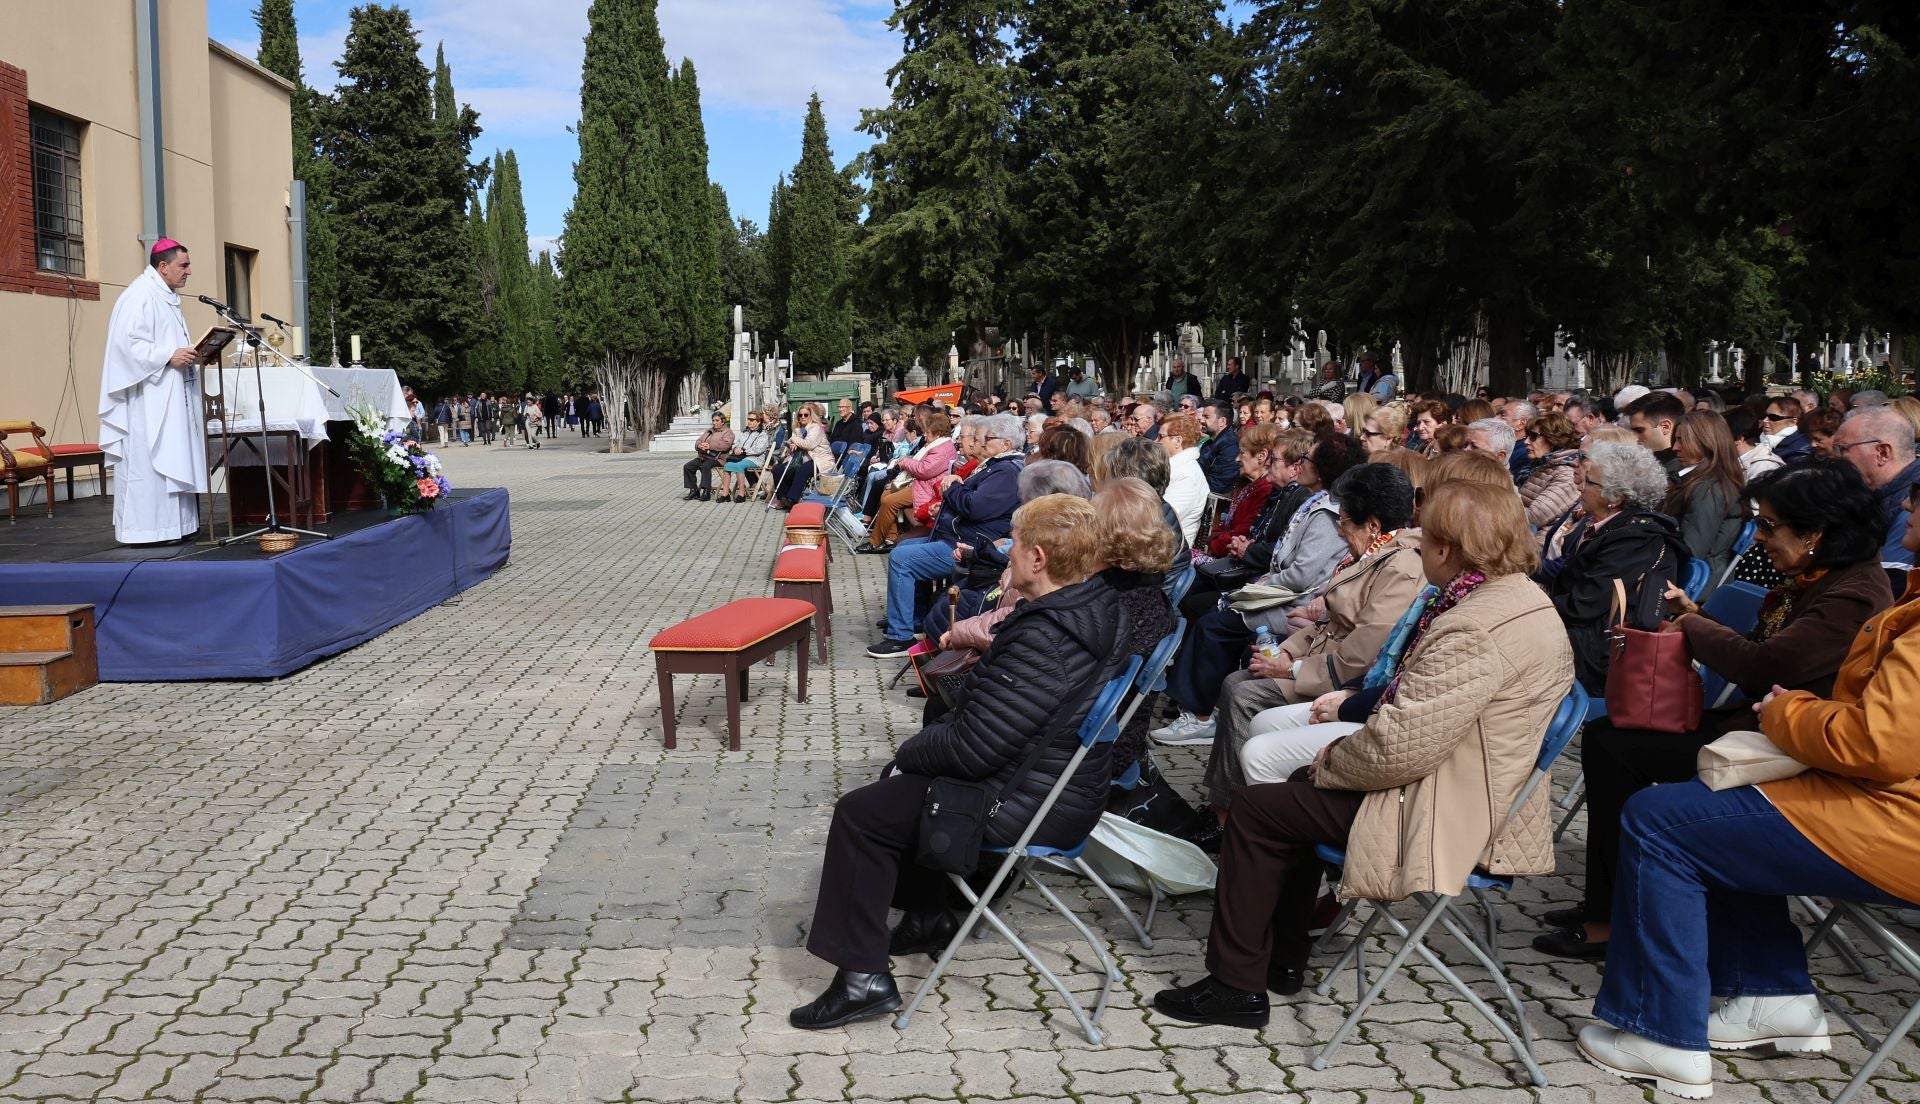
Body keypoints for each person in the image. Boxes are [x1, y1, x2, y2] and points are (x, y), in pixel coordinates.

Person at [1151, 481, 1573, 1026]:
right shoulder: (1516, 597)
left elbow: (1401, 746)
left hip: (1443, 806)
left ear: (1447, 550)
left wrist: (1329, 763)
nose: (1419, 554)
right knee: (1287, 796)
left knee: (1260, 809)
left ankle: (1237, 986)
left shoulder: (1474, 623)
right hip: (1459, 782)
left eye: (1427, 545)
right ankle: (1281, 960)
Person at [1576, 489, 1920, 1098]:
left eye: (1916, 508)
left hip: (1896, 819)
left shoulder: (1871, 597)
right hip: (1881, 802)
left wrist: (1792, 711)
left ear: (1815, 533)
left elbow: (1878, 744)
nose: (1906, 517)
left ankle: (1660, 1033)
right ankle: (1773, 994)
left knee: (1662, 823)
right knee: (1709, 806)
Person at [789, 494, 1131, 1030]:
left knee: (860, 814)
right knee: (897, 788)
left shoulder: (1046, 635)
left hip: (1028, 799)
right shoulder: (1092, 606)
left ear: (1038, 558)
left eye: (1015, 545)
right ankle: (928, 914)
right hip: (1051, 781)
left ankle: (862, 979)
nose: (1007, 553)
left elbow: (975, 749)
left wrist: (909, 752)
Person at [1535, 462, 1894, 963]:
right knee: (1610, 739)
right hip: (1767, 727)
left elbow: (1765, 664)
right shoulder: (1821, 577)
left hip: (1792, 749)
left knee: (1614, 749)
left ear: (1814, 532)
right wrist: (1698, 620)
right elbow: (1765, 653)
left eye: (1769, 526)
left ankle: (1616, 920)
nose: (1760, 538)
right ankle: (1610, 906)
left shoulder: (1853, 593)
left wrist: (1693, 627)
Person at [1204, 464, 1425, 810]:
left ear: (1374, 525)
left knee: (1243, 693)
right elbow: (1327, 623)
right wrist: (1287, 654)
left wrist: (1292, 670)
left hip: (1342, 681)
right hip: (1320, 663)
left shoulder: (1400, 567)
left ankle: (1232, 807)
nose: (1339, 532)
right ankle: (1228, 804)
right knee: (1240, 678)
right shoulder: (1374, 555)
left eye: (1345, 522)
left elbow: (1363, 653)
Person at [1153, 434, 1365, 745]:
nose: (1300, 464)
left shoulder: (1327, 514)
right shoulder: (1316, 503)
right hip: (1280, 591)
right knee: (1212, 612)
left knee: (1216, 624)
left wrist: (1258, 588)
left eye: (1306, 460)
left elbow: (1301, 576)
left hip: (1294, 602)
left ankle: (1200, 716)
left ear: (1321, 470)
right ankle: (1197, 707)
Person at [868, 413, 1025, 657]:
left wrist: (952, 487)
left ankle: (901, 636)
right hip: (957, 537)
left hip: (968, 545)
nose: (982, 444)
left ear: (1006, 444)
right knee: (903, 550)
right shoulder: (997, 467)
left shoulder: (1006, 471)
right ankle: (914, 620)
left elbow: (975, 506)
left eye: (988, 439)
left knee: (903, 559)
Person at [1542, 440, 1686, 692]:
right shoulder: (1611, 527)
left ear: (1615, 497)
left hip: (1603, 652)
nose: (1580, 487)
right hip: (1580, 634)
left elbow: (1582, 607)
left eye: (1590, 482)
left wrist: (1530, 609)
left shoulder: (1634, 541)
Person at [97, 239, 208, 545]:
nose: (189, 272)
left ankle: (178, 526)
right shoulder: (139, 296)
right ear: (163, 266)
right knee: (149, 462)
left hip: (170, 394)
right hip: (147, 402)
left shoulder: (166, 297)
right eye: (183, 266)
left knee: (172, 454)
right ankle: (146, 531)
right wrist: (168, 356)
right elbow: (127, 346)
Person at [1830, 406, 1920, 575]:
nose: (1834, 458)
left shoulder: (1911, 510)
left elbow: (1886, 578)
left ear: (1882, 453)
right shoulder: (1869, 493)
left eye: (1841, 449)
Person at [1664, 412, 1748, 587]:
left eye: (1682, 441)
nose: (1675, 447)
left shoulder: (1709, 489)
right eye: (1676, 439)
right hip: (1685, 578)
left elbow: (1691, 550)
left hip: (1694, 587)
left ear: (1707, 443)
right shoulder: (1692, 477)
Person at [861, 410, 956, 554]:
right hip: (921, 485)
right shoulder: (937, 445)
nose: (924, 435)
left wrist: (906, 462)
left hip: (927, 490)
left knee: (890, 501)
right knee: (886, 494)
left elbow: (924, 470)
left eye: (927, 432)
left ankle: (875, 542)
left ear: (937, 433)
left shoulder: (942, 449)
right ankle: (890, 538)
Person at [1518, 411, 1583, 529]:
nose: (1526, 441)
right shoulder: (1540, 464)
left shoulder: (1568, 474)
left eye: (1533, 436)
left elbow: (1532, 518)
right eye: (1526, 436)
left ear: (1552, 439)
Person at [1158, 414, 1209, 545]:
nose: (1156, 441)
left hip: (1171, 548)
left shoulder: (1187, 475)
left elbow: (1164, 519)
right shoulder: (1177, 468)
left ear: (1178, 441)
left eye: (1161, 437)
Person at [773, 404, 834, 510]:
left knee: (802, 469)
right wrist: (791, 444)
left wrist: (794, 440)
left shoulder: (816, 428)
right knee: (778, 469)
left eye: (806, 415)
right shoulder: (798, 430)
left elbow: (808, 444)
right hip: (803, 458)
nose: (803, 417)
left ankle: (792, 499)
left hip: (819, 459)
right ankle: (783, 498)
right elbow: (794, 443)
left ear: (811, 416)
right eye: (800, 415)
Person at [1627, 391, 1688, 474]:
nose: (1633, 437)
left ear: (1665, 427)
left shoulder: (1681, 472)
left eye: (1639, 430)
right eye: (1631, 431)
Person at [718, 411, 771, 502]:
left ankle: (741, 494)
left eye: (752, 419)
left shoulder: (763, 434)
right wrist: (735, 449)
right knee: (727, 466)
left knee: (739, 466)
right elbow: (736, 444)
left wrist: (743, 450)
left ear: (758, 422)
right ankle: (725, 494)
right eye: (748, 419)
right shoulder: (744, 432)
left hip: (756, 459)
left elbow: (759, 449)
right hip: (742, 458)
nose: (749, 421)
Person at [681, 413, 734, 501]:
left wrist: (709, 446)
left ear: (723, 422)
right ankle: (694, 490)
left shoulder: (728, 432)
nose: (714, 423)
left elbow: (726, 445)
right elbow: (699, 440)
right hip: (704, 456)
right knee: (688, 466)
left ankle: (706, 492)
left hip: (719, 459)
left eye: (717, 420)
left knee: (705, 466)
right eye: (713, 420)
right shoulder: (709, 431)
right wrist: (700, 445)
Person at [1725, 407, 1783, 482]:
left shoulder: (1762, 468)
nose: (1715, 440)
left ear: (1739, 439)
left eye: (1719, 435)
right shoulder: (1734, 460)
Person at [1197, 399, 1241, 494]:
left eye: (1206, 417)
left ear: (1222, 421)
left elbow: (1219, 484)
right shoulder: (1210, 442)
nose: (1201, 420)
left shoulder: (1230, 444)